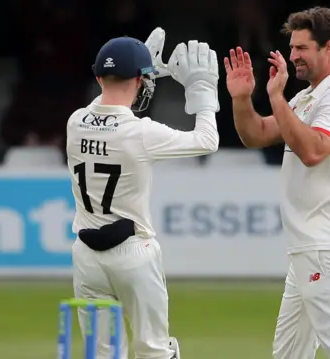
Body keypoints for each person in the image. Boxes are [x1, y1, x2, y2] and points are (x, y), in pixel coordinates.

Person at [224, 7, 330, 359]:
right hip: (309, 247)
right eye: (292, 48)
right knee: (289, 353)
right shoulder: (308, 97)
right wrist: (243, 98)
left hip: (328, 243)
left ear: (329, 48)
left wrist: (276, 97)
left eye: (302, 48)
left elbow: (311, 151)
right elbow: (257, 133)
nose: (292, 57)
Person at [66, 32, 220, 359]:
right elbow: (207, 140)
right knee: (153, 351)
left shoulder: (75, 122)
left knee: (103, 354)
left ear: (97, 77)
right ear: (139, 80)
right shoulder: (141, 132)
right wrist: (202, 91)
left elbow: (106, 112)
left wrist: (140, 73)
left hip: (86, 256)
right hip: (134, 255)